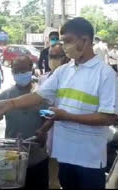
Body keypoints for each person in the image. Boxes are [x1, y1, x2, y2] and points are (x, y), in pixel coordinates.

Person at [0, 17, 118, 189]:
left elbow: (108, 118)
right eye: (62, 42)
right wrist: (9, 103)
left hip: (89, 159)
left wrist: (67, 117)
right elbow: (38, 96)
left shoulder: (105, 74)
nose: (64, 46)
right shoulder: (64, 71)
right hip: (65, 155)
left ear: (85, 40)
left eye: (68, 41)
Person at [0, 56, 49, 189]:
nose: (20, 74)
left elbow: (50, 118)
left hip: (37, 156)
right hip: (12, 156)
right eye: (16, 71)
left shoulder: (42, 95)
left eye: (23, 70)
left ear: (31, 70)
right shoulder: (5, 96)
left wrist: (44, 131)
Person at [37, 42, 69, 189]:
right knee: (50, 170)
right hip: (46, 130)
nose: (54, 60)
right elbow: (39, 102)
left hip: (65, 129)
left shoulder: (72, 78)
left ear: (67, 57)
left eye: (58, 56)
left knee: (63, 172)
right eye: (51, 56)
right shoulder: (43, 78)